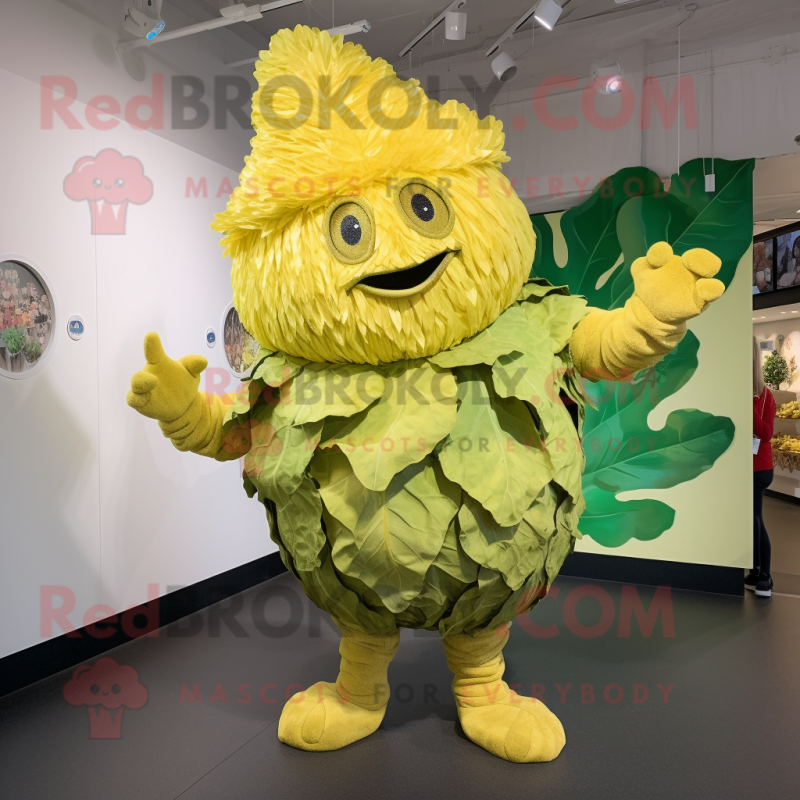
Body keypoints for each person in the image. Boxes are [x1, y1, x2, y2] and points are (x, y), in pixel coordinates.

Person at [748, 337, 776, 596]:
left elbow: (766, 434)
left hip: (759, 468)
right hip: (743, 466)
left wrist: (751, 409)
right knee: (748, 518)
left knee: (755, 517)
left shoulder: (766, 396)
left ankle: (765, 575)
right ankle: (756, 570)